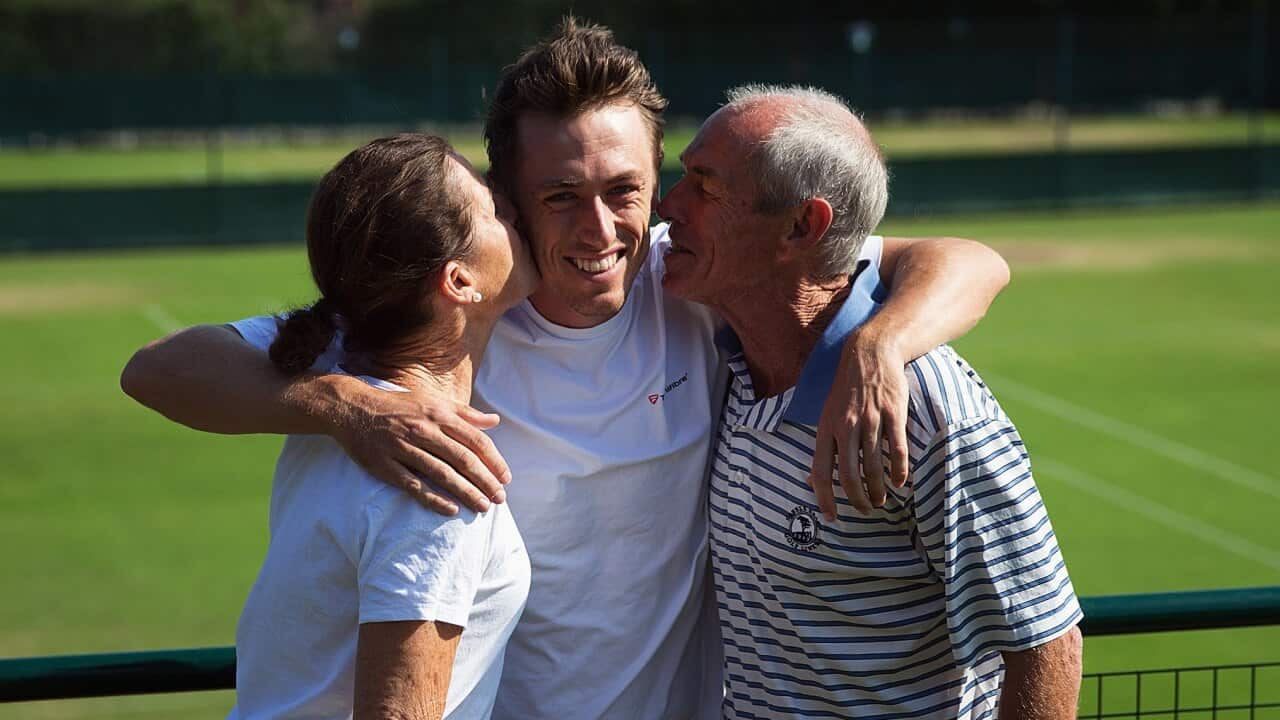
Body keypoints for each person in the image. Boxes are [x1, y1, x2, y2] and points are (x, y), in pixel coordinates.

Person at [121, 19, 1012, 719]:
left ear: (656, 183)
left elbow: (966, 258)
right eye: (559, 197)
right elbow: (159, 368)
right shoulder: (436, 322)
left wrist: (878, 344)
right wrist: (349, 406)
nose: (599, 232)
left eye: (622, 191)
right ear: (505, 202)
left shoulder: (692, 278)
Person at [658, 84, 1083, 718]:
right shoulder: (730, 362)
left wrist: (880, 346)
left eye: (705, 185)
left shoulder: (928, 410)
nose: (670, 206)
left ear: (803, 227)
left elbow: (1048, 647)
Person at [224, 134, 537, 719]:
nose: (513, 211)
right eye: (493, 211)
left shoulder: (332, 410)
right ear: (460, 281)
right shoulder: (436, 472)